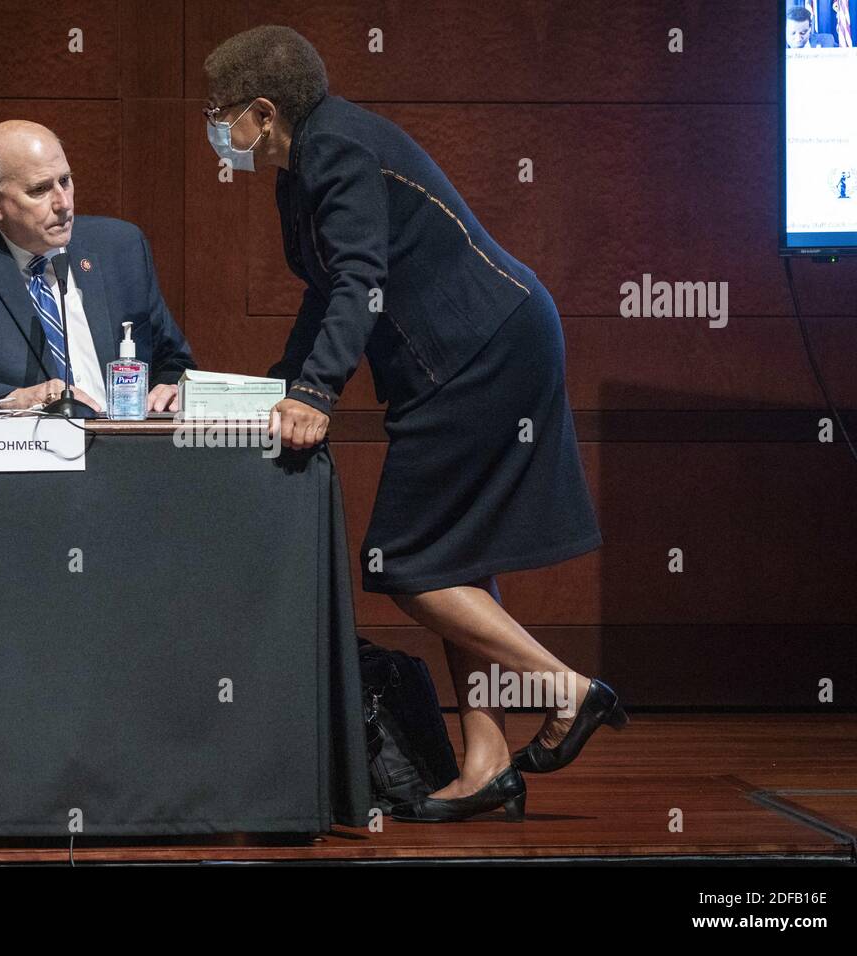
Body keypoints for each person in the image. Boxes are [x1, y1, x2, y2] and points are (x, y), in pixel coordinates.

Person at [203, 26, 627, 822]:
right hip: (482, 347)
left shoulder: (334, 149)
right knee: (454, 557)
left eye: (220, 111)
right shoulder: (300, 170)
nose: (216, 128)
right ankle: (487, 764)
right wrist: (279, 388)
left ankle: (567, 691)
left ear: (262, 112)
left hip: (484, 352)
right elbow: (324, 291)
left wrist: (318, 396)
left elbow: (362, 279)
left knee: (405, 562)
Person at [0, 120, 194, 414]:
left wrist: (171, 386)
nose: (63, 203)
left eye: (65, 181)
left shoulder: (121, 246)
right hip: (16, 453)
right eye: (40, 190)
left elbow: (173, 361)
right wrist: (16, 400)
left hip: (124, 449)